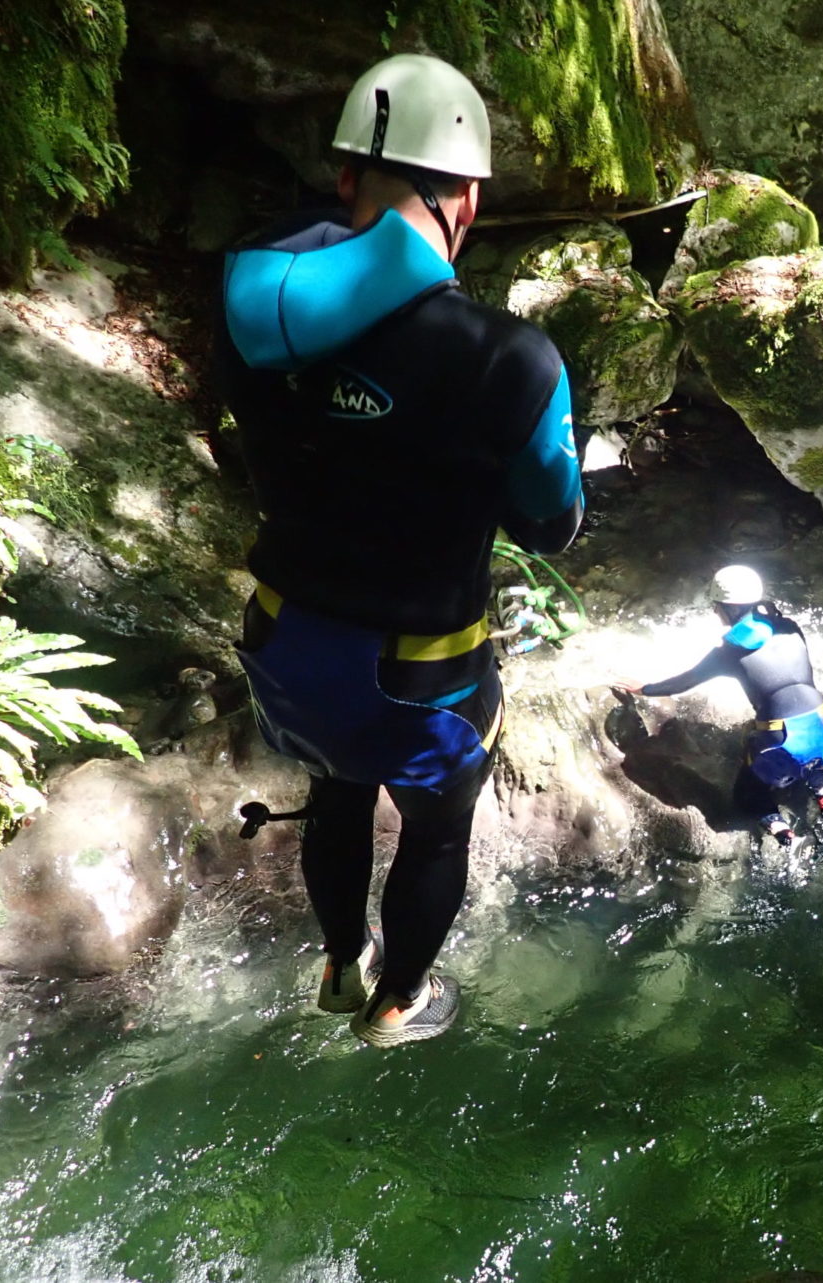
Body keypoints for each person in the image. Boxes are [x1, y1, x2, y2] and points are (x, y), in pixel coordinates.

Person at [217, 54, 583, 1048]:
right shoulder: (512, 359)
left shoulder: (252, 300)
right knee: (434, 828)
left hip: (287, 645)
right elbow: (553, 523)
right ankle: (397, 1002)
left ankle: (341, 963)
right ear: (465, 197)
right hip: (422, 674)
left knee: (335, 787)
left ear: (345, 180)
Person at [617, 566, 823, 848]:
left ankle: (787, 839)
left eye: (716, 606)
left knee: (748, 794)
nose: (715, 612)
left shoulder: (728, 652)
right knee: (813, 765)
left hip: (783, 740)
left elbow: (685, 681)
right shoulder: (789, 626)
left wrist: (644, 689)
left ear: (728, 608)